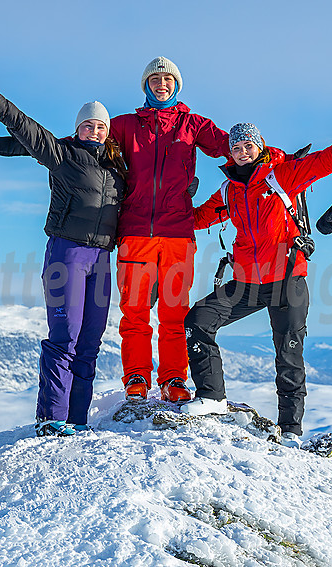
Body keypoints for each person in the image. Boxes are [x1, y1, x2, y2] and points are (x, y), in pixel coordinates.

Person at [180, 111, 332, 447]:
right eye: (236, 147)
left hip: (287, 281)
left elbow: (323, 162)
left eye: (248, 145)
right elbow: (199, 217)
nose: (243, 151)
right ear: (229, 153)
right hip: (247, 283)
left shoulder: (281, 176)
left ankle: (290, 431)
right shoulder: (229, 190)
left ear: (259, 146)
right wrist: (173, 202)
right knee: (198, 320)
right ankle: (211, 397)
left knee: (288, 355)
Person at [0, 64, 127, 437]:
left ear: (107, 133)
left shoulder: (116, 170)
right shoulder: (63, 156)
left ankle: (77, 420)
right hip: (67, 254)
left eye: (100, 127)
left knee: (90, 343)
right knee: (65, 336)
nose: (94, 131)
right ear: (77, 129)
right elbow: (25, 126)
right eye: (87, 125)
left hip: (102, 259)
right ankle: (51, 418)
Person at [109, 56, 230, 403]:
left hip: (178, 233)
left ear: (177, 85)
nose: (161, 85)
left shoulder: (193, 125)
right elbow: (85, 138)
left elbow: (237, 150)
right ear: (145, 85)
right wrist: (31, 145)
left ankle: (174, 379)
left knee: (174, 313)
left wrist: (276, 162)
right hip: (135, 232)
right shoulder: (125, 125)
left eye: (168, 79)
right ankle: (136, 376)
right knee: (134, 311)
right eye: (154, 79)